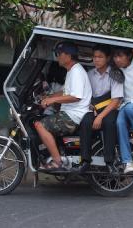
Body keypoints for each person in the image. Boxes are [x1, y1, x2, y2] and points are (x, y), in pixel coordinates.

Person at [34, 42, 92, 170]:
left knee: (40, 125)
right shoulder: (72, 71)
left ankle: (57, 161)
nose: (57, 57)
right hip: (70, 113)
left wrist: (53, 100)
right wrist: (49, 97)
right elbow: (66, 92)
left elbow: (75, 96)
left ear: (68, 56)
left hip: (73, 116)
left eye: (59, 54)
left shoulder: (76, 71)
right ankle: (57, 154)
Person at [77, 46, 124, 173]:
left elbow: (115, 101)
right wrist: (91, 107)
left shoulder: (115, 74)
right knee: (85, 121)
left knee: (109, 123)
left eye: (100, 57)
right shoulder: (89, 74)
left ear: (108, 58)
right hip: (93, 108)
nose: (96, 60)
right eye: (95, 57)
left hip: (110, 108)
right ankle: (85, 160)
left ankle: (109, 161)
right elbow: (85, 95)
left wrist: (100, 116)